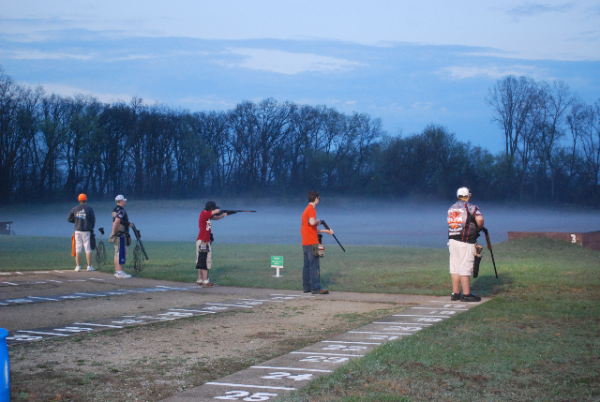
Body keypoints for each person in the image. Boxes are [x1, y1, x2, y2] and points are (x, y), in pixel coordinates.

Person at [447, 187, 484, 302]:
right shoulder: (471, 207)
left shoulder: (451, 208)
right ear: (468, 195)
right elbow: (480, 219)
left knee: (455, 267)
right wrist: (478, 228)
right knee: (465, 266)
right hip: (465, 240)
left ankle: (455, 293)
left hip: (452, 240)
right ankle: (466, 294)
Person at [301, 191, 334, 295]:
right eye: (318, 198)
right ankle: (316, 287)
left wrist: (326, 231)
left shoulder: (305, 211)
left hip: (306, 242)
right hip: (313, 242)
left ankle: (307, 287)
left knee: (307, 265)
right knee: (314, 266)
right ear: (316, 199)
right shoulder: (311, 210)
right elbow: (312, 222)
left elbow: (312, 228)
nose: (318, 200)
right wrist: (318, 221)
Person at [196, 201, 234, 287]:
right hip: (203, 241)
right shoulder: (204, 214)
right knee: (205, 260)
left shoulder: (207, 215)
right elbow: (216, 212)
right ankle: (205, 280)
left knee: (201, 260)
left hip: (204, 240)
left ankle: (200, 279)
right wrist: (221, 211)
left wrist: (226, 214)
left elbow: (215, 217)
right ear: (210, 208)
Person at [67, 193, 96, 272]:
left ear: (79, 200)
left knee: (78, 248)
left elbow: (69, 219)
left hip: (78, 231)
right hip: (86, 231)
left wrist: (76, 221)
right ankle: (89, 266)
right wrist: (91, 227)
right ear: (86, 199)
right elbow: (93, 220)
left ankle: (78, 266)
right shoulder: (89, 209)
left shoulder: (74, 208)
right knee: (88, 249)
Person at [109, 195, 132, 279]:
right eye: (124, 200)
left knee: (117, 253)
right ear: (121, 200)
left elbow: (119, 221)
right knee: (120, 253)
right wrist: (113, 232)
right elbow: (117, 221)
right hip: (120, 235)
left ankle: (117, 271)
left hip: (118, 234)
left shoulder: (115, 209)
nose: (125, 202)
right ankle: (119, 272)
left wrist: (129, 224)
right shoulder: (121, 210)